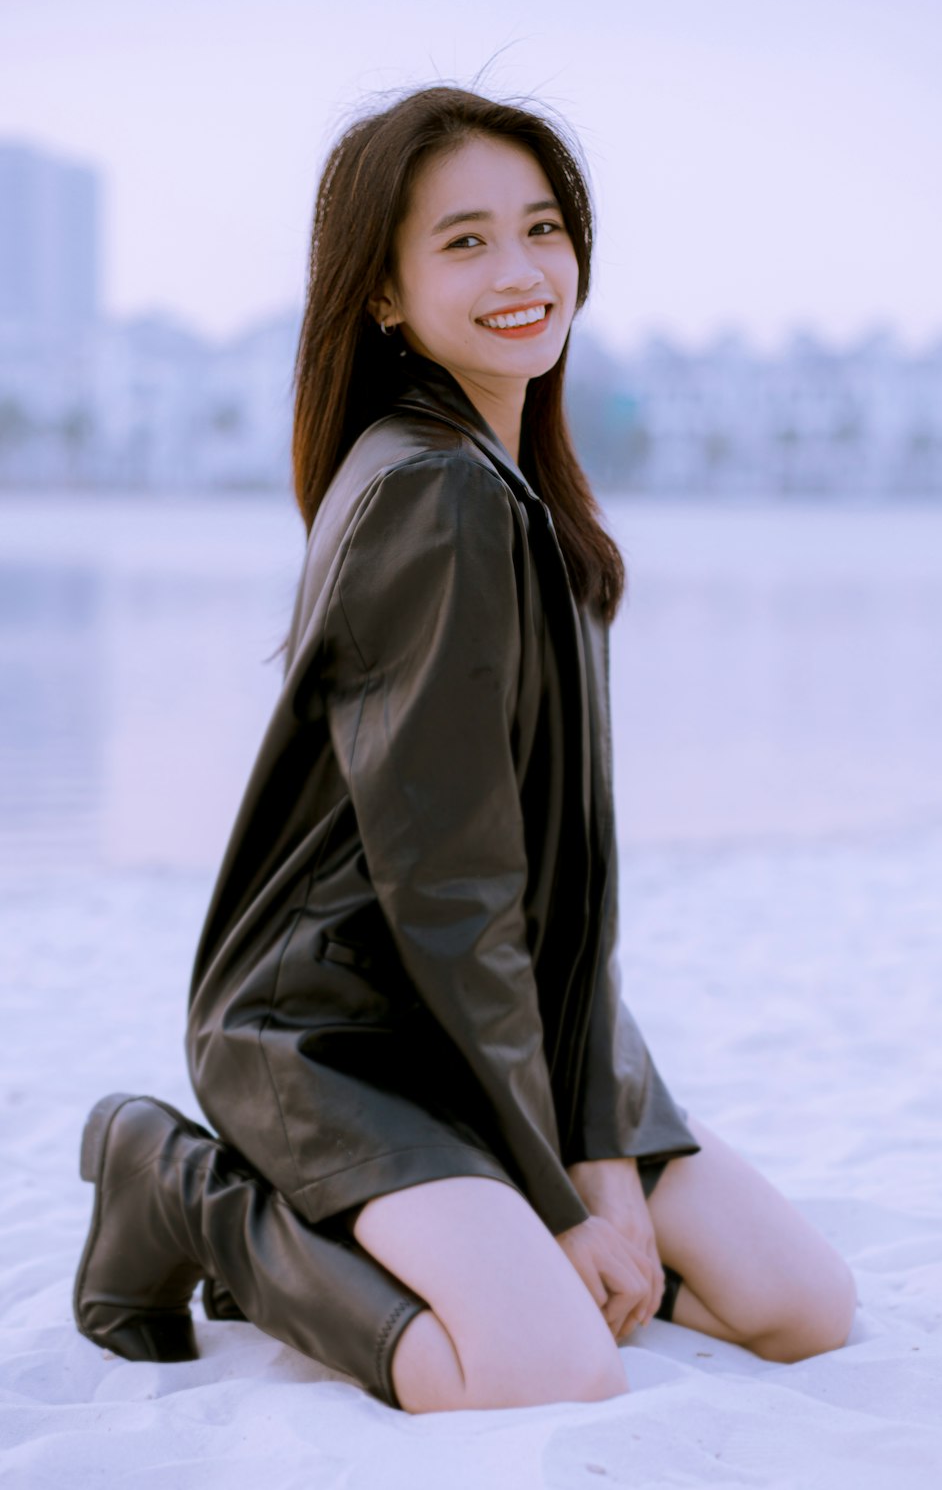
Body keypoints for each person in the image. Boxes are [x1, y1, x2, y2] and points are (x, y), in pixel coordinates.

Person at [73, 83, 857, 1415]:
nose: (523, 271)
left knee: (800, 1308)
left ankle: (490, 1231)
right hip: (340, 1032)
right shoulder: (431, 490)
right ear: (382, 296)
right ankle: (184, 1186)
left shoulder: (516, 485)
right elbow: (450, 889)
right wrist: (571, 1192)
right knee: (544, 1371)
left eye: (543, 228)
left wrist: (600, 1144)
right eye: (465, 241)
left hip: (509, 1011)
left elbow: (562, 891)